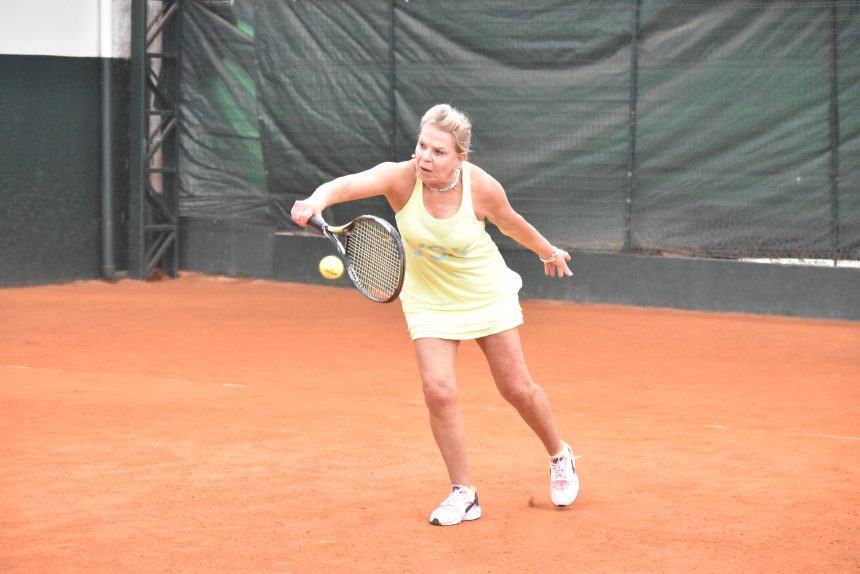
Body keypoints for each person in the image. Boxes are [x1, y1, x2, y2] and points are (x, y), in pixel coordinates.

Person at [291, 103, 578, 526]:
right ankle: (464, 493)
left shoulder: (482, 187)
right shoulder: (401, 178)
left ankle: (559, 453)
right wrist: (315, 200)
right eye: (422, 146)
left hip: (484, 293)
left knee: (517, 388)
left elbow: (511, 223)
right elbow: (348, 184)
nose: (425, 157)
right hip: (427, 298)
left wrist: (548, 252)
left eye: (438, 151)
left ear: (460, 157)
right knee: (438, 391)